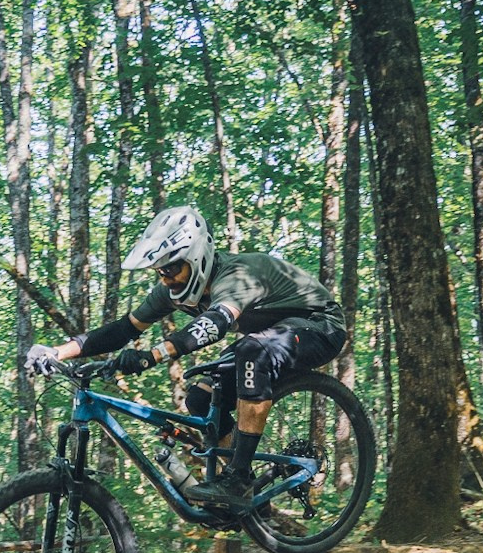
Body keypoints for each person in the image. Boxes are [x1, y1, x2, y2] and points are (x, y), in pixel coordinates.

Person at [25, 205, 346, 510]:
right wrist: (57, 352)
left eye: (171, 268)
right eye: (159, 271)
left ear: (197, 258)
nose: (165, 278)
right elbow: (123, 330)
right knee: (200, 398)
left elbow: (216, 322)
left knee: (252, 352)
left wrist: (151, 356)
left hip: (320, 326)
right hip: (269, 337)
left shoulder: (235, 276)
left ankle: (237, 478)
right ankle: (250, 495)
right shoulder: (169, 290)